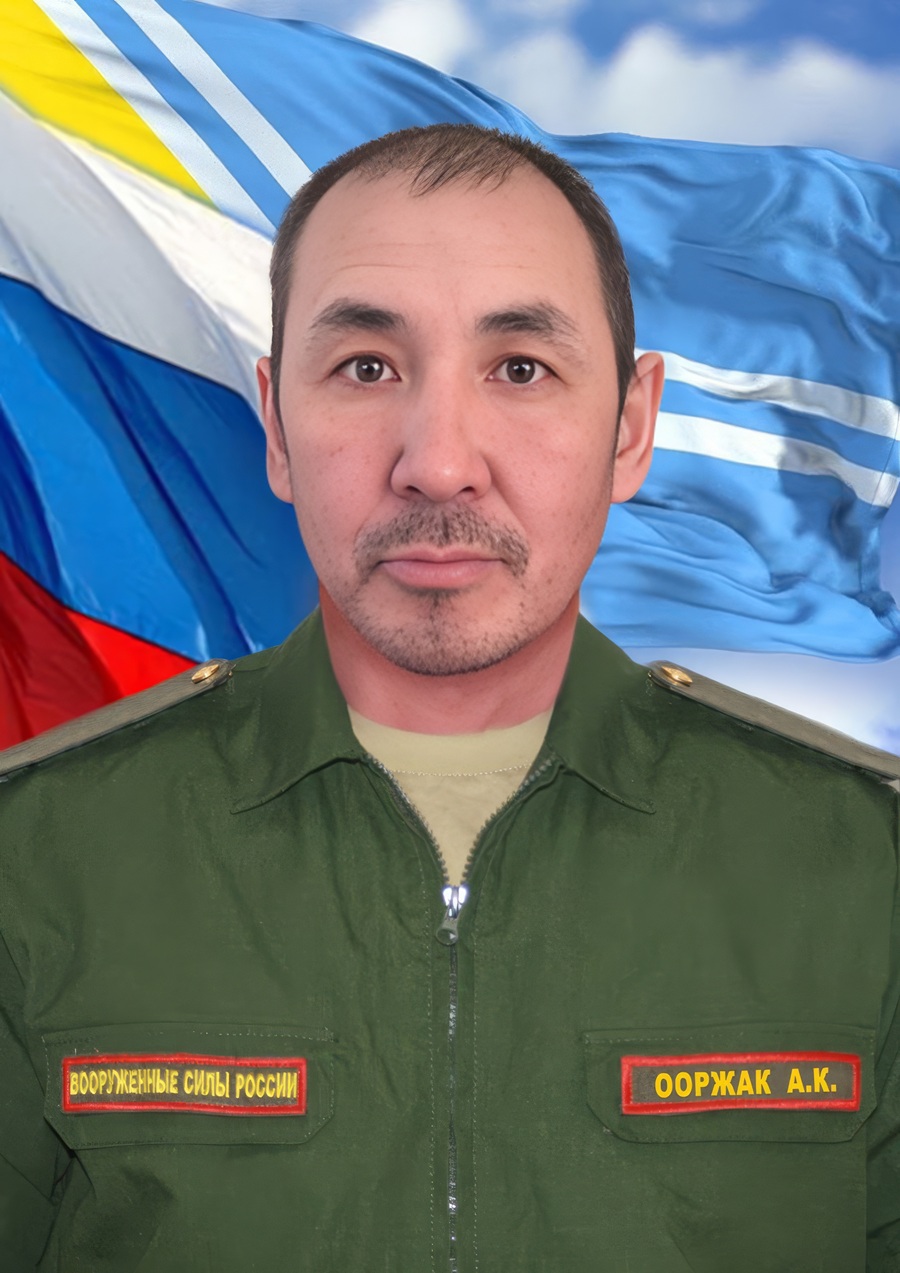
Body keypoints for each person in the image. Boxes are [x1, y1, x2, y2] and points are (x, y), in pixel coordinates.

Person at [1, 123, 898, 1273]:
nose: (437, 461)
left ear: (630, 427)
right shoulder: (34, 858)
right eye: (366, 368)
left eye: (520, 368)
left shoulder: (867, 868)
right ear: (276, 427)